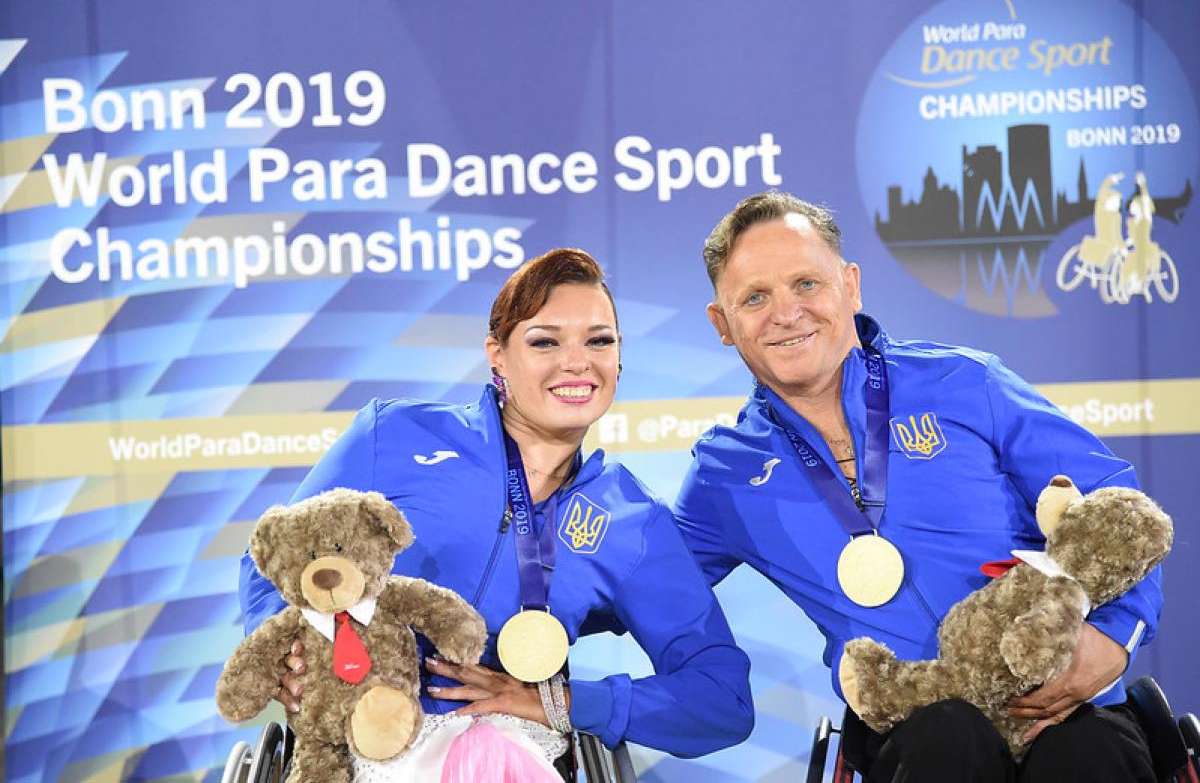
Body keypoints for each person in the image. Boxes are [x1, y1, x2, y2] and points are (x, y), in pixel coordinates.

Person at [673, 191, 1162, 782]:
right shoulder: (723, 472)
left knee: (1082, 755)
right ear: (721, 324)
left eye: (806, 283)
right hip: (912, 729)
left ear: (850, 286)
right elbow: (631, 581)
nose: (786, 312)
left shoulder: (965, 380)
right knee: (948, 736)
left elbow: (1115, 508)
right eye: (754, 297)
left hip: (1068, 700)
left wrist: (1112, 639)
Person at [239, 248, 753, 780]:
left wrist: (558, 703)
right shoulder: (394, 436)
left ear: (619, 358)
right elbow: (272, 563)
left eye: (599, 340)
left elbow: (720, 699)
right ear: (498, 355)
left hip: (512, 755)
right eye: (545, 341)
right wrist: (289, 656)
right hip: (360, 737)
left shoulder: (631, 519)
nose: (576, 361)